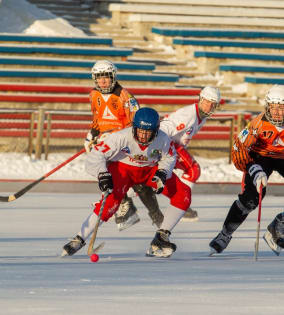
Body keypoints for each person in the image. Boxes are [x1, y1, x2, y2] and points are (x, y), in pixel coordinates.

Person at [62, 107, 191, 258]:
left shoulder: (163, 139)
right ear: (134, 128)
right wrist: (102, 174)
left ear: (156, 130)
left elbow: (169, 158)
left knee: (183, 194)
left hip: (150, 169)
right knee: (111, 202)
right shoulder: (120, 137)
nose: (143, 136)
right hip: (123, 169)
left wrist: (163, 172)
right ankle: (79, 239)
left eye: (147, 132)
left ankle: (161, 237)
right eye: (140, 131)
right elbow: (96, 155)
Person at [116, 87, 222, 228]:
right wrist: (156, 149)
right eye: (206, 102)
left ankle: (176, 202)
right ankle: (181, 204)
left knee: (177, 174)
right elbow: (165, 128)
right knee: (193, 170)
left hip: (173, 146)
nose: (209, 107)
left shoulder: (201, 117)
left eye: (213, 104)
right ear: (200, 99)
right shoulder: (189, 115)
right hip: (168, 144)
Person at [84, 59, 162, 231]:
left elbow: (135, 126)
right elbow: (97, 119)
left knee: (139, 183)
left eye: (106, 77)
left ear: (113, 77)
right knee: (102, 169)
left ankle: (149, 213)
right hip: (106, 143)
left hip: (123, 143)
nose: (103, 81)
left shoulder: (126, 97)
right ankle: (125, 204)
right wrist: (92, 134)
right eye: (99, 77)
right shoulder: (93, 95)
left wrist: (114, 136)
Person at [209, 84, 284, 255]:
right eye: (274, 108)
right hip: (260, 157)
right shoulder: (257, 125)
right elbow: (238, 149)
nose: (278, 113)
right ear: (267, 107)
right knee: (252, 198)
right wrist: (253, 168)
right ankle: (225, 234)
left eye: (282, 108)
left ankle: (280, 224)